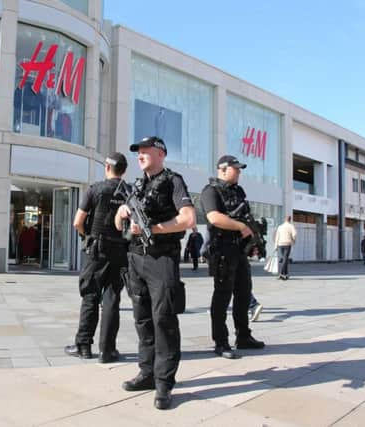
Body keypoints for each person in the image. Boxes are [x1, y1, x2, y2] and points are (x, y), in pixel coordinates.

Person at [115, 136, 195, 410]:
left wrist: (154, 229)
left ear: (161, 154)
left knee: (164, 321)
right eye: (138, 151)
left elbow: (188, 219)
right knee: (142, 320)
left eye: (145, 151)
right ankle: (147, 372)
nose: (140, 155)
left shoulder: (173, 181)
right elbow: (118, 222)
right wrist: (123, 211)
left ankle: (164, 383)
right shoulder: (138, 185)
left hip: (162, 259)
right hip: (136, 259)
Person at [64, 152, 129, 363]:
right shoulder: (129, 192)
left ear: (108, 168)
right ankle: (107, 350)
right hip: (120, 250)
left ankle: (83, 345)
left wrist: (87, 236)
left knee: (90, 296)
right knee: (112, 299)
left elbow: (77, 222)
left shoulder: (95, 189)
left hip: (97, 250)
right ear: (124, 171)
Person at [200, 154, 265, 361]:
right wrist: (240, 227)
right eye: (235, 168)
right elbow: (214, 218)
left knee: (244, 294)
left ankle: (243, 336)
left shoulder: (238, 191)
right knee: (222, 297)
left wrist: (253, 240)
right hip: (222, 251)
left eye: (239, 169)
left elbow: (247, 216)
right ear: (222, 169)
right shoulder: (210, 191)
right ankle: (221, 341)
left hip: (239, 250)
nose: (239, 172)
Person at [274, 216, 297, 280]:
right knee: (285, 259)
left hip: (281, 244)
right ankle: (281, 274)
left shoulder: (280, 226)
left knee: (284, 258)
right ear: (290, 219)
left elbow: (277, 236)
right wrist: (293, 240)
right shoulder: (291, 226)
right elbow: (294, 234)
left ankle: (286, 274)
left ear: (284, 219)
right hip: (287, 243)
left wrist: (275, 246)